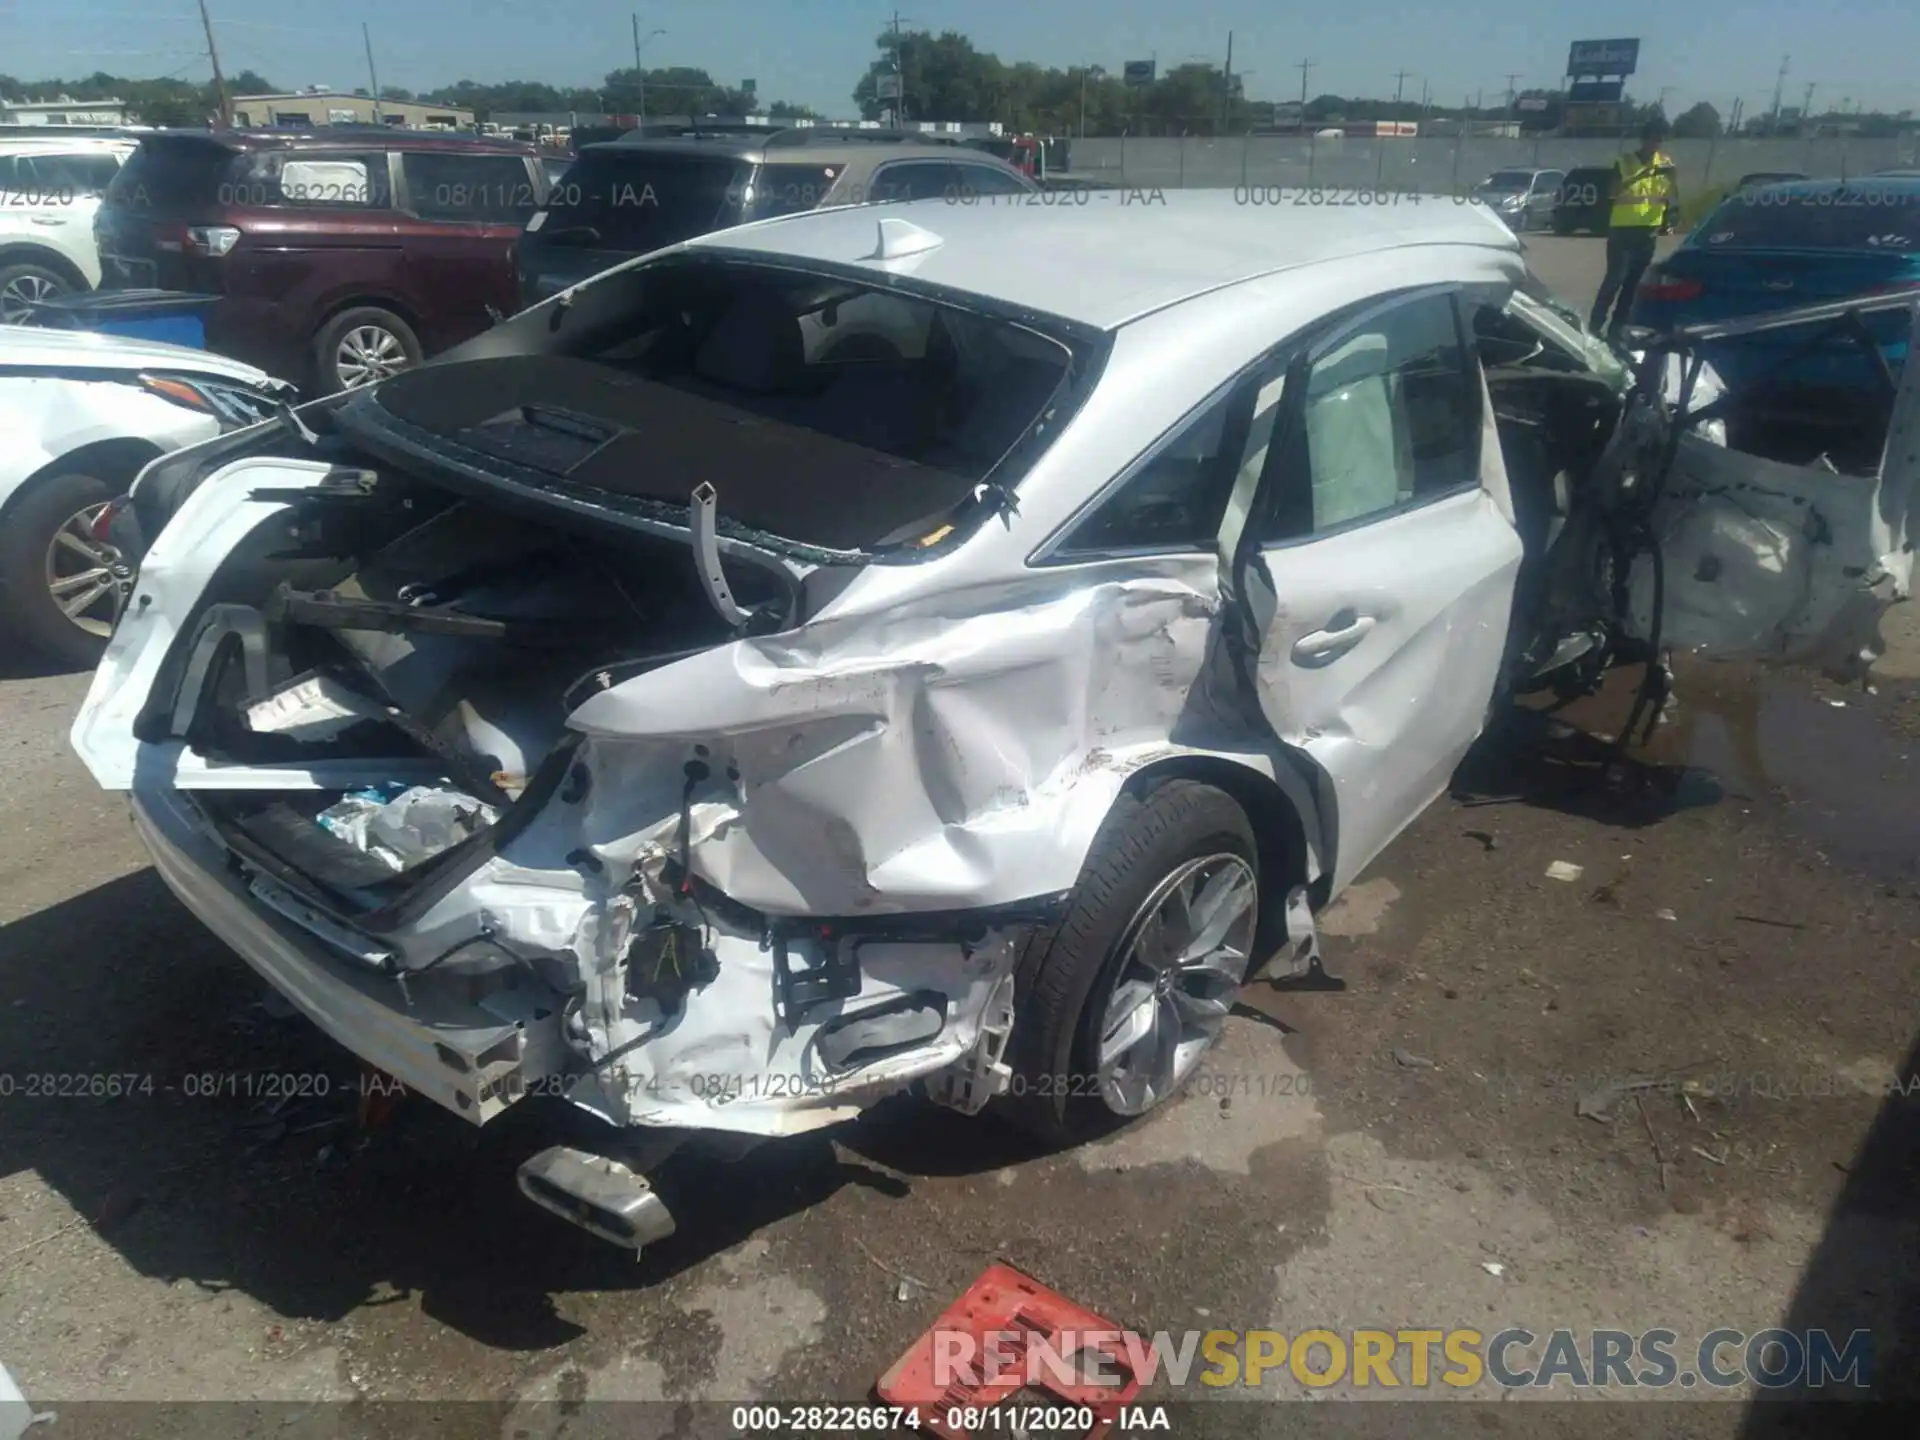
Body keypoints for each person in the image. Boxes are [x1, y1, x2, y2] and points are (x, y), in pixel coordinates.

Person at [1588, 117, 1679, 338]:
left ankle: (1617, 330)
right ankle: (1594, 326)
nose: (1656, 144)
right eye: (1652, 139)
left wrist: (1670, 217)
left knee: (1634, 285)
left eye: (1660, 140)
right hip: (1623, 230)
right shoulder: (1625, 162)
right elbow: (1612, 191)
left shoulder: (1666, 165)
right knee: (1614, 280)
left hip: (1648, 232)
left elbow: (1668, 194)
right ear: (1643, 140)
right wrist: (1642, 175)